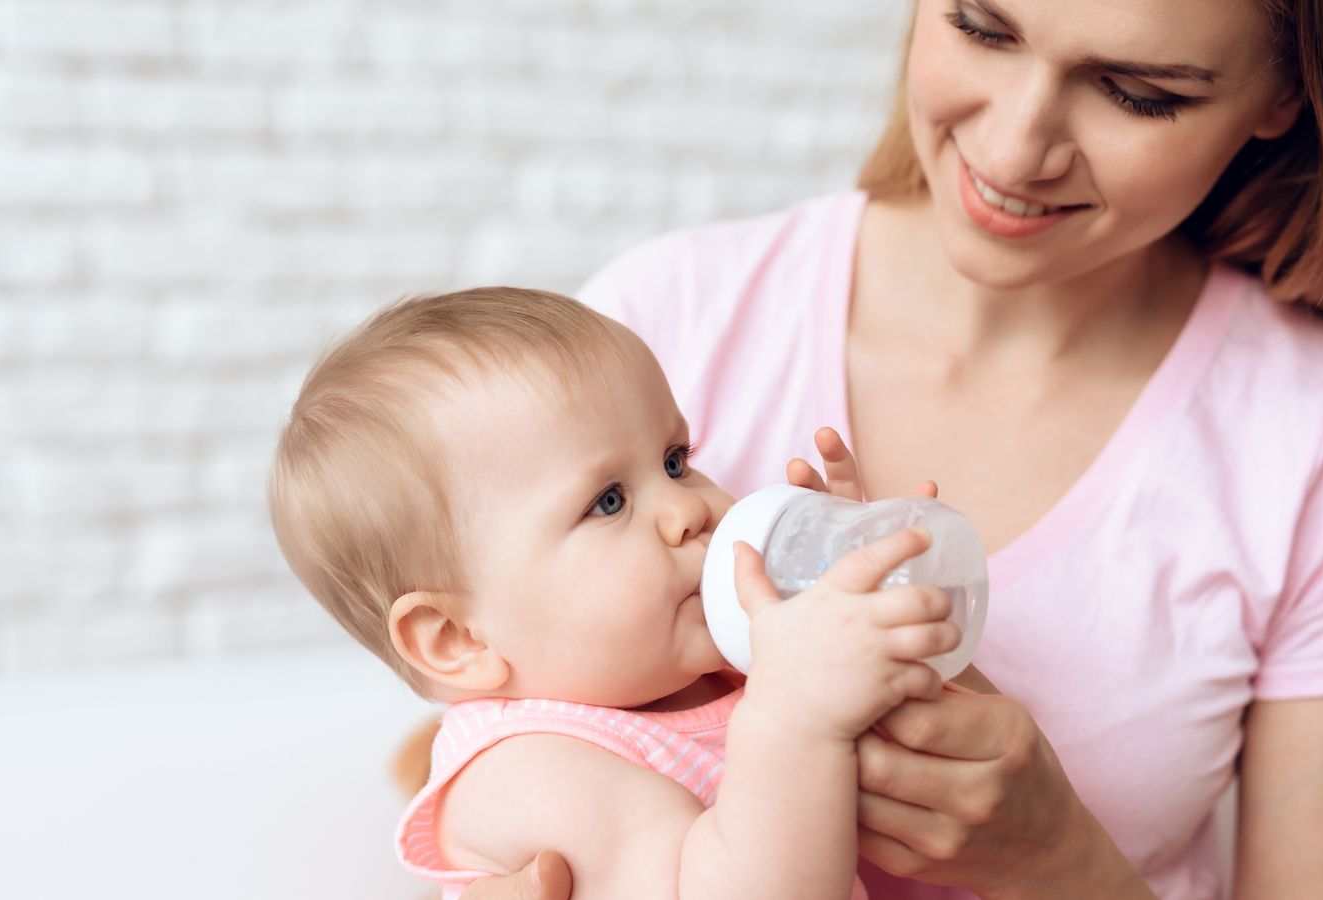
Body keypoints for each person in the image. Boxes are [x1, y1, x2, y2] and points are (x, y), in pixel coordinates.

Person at [457, 0, 1323, 897]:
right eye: (981, 26)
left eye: (1137, 92)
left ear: (1289, 94)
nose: (1012, 150)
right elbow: (475, 742)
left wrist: (1057, 862)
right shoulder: (659, 334)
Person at [271, 287, 968, 899]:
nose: (686, 509)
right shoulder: (530, 768)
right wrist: (798, 713)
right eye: (608, 502)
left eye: (675, 460)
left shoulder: (714, 668)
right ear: (459, 640)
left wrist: (843, 589)